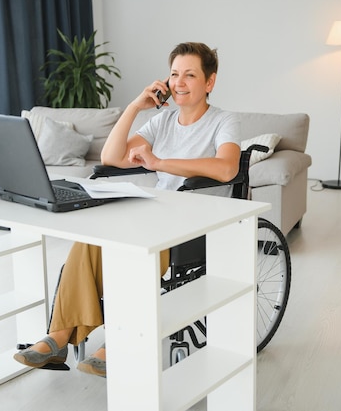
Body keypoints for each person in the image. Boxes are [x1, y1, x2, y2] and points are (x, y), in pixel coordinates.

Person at [13, 42, 241, 377]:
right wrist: (136, 106)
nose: (179, 81)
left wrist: (160, 162)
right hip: (160, 212)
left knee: (137, 253)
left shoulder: (224, 121)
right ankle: (59, 337)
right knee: (91, 240)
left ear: (209, 82)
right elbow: (112, 157)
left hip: (198, 219)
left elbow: (226, 169)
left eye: (190, 75)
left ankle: (117, 342)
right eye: (174, 74)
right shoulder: (162, 121)